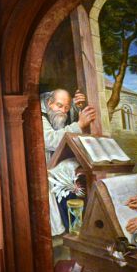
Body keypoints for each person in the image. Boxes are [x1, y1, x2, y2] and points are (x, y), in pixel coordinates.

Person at [41, 88, 97, 236]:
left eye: (66, 108)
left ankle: (79, 230)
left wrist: (78, 107)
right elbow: (51, 139)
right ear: (49, 103)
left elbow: (63, 126)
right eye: (59, 106)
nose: (62, 111)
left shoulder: (59, 114)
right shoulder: (39, 116)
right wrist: (79, 125)